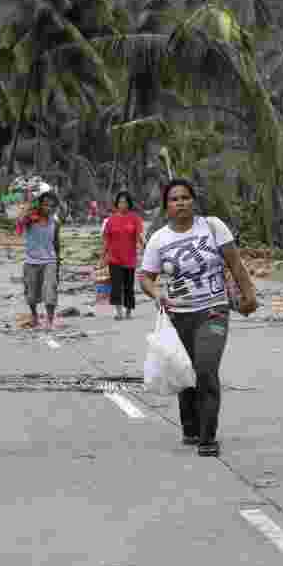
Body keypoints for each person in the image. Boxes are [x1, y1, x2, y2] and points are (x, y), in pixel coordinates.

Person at [139, 180, 258, 456]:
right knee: (186, 370)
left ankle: (208, 436)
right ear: (166, 206)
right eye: (174, 199)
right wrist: (156, 293)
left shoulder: (213, 226)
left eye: (185, 197)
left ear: (193, 201)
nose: (180, 202)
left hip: (213, 309)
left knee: (205, 368)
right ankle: (190, 426)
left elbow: (235, 263)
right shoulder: (159, 239)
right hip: (179, 315)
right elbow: (145, 277)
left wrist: (249, 294)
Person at [16, 192, 61, 330]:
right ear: (40, 205)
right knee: (31, 296)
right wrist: (30, 203)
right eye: (46, 205)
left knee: (50, 291)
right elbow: (19, 223)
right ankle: (34, 315)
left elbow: (56, 242)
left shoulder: (55, 222)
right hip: (31, 262)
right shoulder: (31, 219)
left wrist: (58, 261)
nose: (49, 208)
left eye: (52, 206)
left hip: (50, 261)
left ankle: (49, 320)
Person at [100, 191, 145, 320]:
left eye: (125, 202)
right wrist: (102, 258)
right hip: (114, 258)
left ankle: (128, 312)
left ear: (129, 204)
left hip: (130, 258)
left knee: (128, 287)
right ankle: (119, 312)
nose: (122, 204)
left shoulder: (135, 218)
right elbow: (106, 240)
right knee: (116, 286)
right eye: (120, 202)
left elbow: (141, 236)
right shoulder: (110, 220)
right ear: (117, 204)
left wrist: (145, 249)